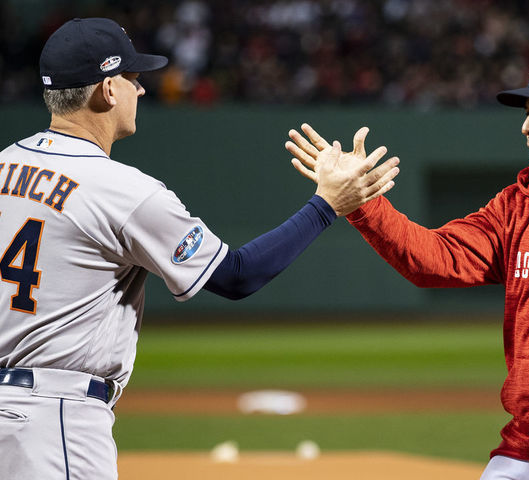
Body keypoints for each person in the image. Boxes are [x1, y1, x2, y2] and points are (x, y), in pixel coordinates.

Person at [0, 17, 399, 480]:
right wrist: (327, 205)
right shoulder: (123, 190)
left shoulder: (5, 165)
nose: (141, 91)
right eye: (133, 79)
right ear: (107, 90)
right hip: (55, 421)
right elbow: (236, 275)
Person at [287, 57, 529, 479]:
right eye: (528, 117)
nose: (527, 128)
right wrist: (363, 204)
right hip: (526, 443)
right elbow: (435, 259)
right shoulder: (517, 204)